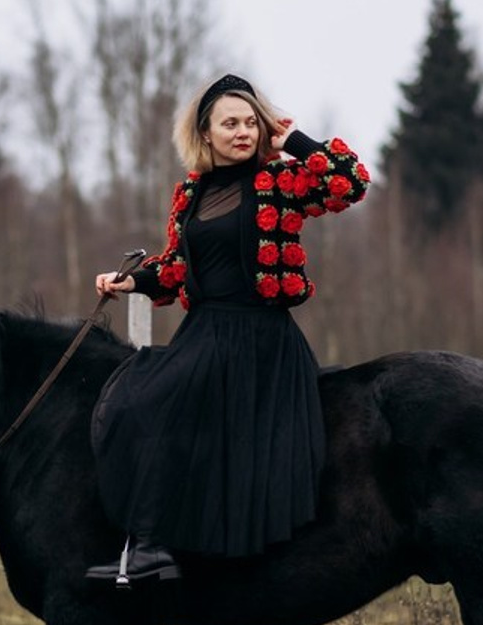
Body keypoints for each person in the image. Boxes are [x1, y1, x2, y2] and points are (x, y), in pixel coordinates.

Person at [86, 72, 370, 587]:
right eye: (230, 123)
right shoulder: (191, 193)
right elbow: (175, 268)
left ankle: (152, 546)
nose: (242, 132)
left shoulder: (278, 182)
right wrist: (130, 281)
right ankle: (145, 542)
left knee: (150, 400)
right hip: (204, 332)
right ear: (205, 133)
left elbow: (349, 182)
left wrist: (296, 143)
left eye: (251, 123)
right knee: (131, 400)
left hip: (260, 337)